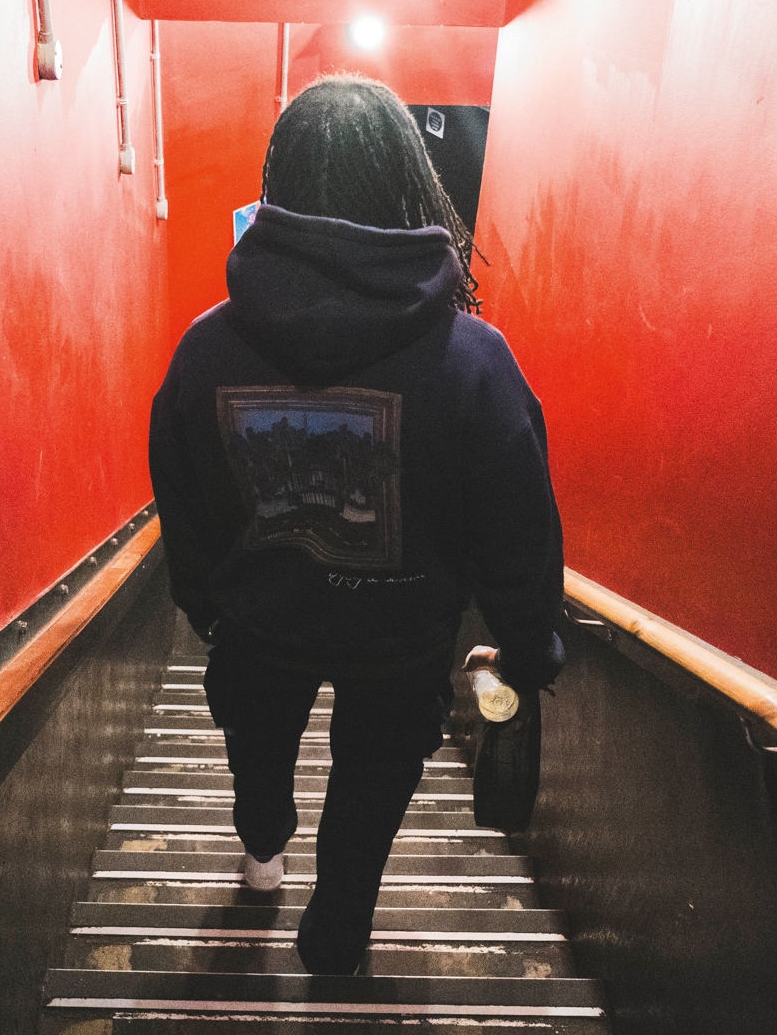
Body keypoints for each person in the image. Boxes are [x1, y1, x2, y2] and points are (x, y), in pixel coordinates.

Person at [147, 74, 566, 976]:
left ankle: (262, 844)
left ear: (278, 183)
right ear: (409, 179)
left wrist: (204, 609)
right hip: (403, 637)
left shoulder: (205, 347)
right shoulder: (473, 361)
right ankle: (336, 935)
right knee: (374, 780)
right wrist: (528, 654)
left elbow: (177, 498)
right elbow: (517, 530)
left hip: (256, 626)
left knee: (257, 751)